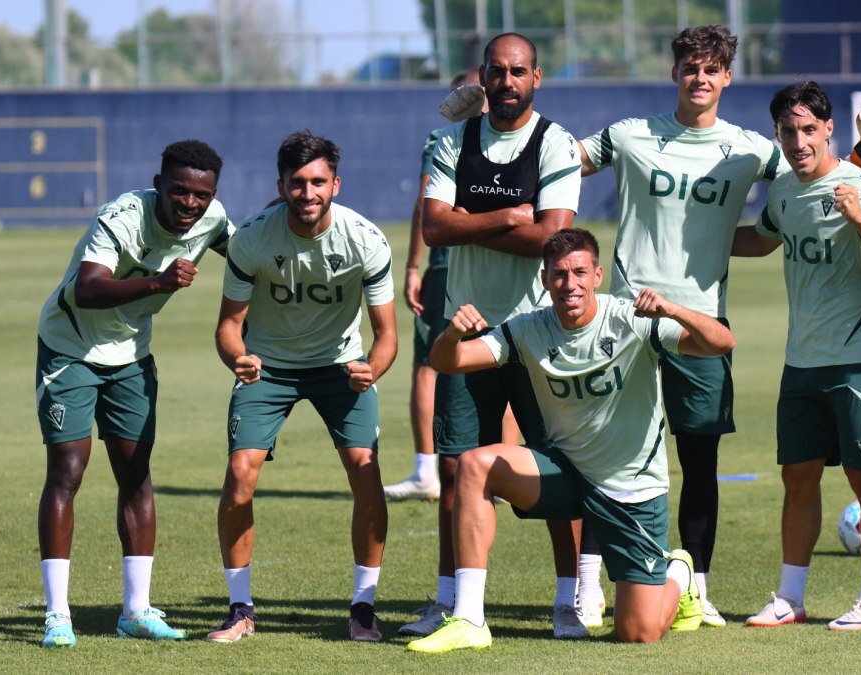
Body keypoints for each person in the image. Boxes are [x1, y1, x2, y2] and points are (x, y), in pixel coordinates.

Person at [571, 25, 861, 627]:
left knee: (699, 463)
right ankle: (589, 586)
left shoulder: (752, 148)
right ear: (675, 74)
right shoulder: (630, 135)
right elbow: (562, 161)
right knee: (610, 459)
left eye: (712, 68)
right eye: (690, 67)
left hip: (701, 324)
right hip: (624, 319)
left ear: (727, 77)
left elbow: (817, 175)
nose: (700, 77)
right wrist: (481, 130)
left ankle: (697, 590)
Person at [408, 228, 736, 653]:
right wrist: (453, 333)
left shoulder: (632, 320)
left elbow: (720, 343)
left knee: (638, 632)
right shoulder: (527, 329)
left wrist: (673, 310)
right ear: (545, 280)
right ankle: (470, 618)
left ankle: (679, 574)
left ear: (597, 275)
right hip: (565, 474)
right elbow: (446, 362)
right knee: (474, 464)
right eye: (559, 274)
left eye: (580, 272)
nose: (570, 284)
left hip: (630, 491)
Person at [400, 33, 587, 641]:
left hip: (539, 332)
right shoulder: (455, 139)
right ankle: (455, 603)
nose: (507, 81)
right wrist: (509, 216)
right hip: (468, 328)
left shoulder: (556, 142)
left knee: (559, 467)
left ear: (537, 77)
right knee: (455, 471)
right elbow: (432, 226)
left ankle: (574, 598)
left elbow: (553, 238)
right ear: (483, 77)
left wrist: (468, 224)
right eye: (497, 72)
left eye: (518, 71)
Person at [34, 140, 234, 647]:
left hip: (131, 359)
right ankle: (58, 615)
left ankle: (136, 611)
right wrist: (156, 284)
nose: (190, 204)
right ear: (159, 184)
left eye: (202, 195)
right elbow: (87, 288)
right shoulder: (121, 217)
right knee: (67, 472)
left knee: (137, 475)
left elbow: (250, 252)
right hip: (70, 349)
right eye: (180, 191)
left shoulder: (213, 221)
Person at [208, 130, 397, 643]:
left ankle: (363, 607)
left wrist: (372, 369)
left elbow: (387, 336)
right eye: (297, 183)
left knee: (366, 471)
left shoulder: (366, 240)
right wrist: (237, 357)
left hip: (340, 365)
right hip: (268, 366)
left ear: (336, 183)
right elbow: (229, 325)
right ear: (281, 185)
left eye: (318, 182)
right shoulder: (252, 238)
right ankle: (240, 608)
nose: (307, 193)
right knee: (239, 474)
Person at [732, 81, 861, 631]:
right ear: (777, 133)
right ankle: (791, 597)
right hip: (800, 363)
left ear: (831, 129)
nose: (799, 140)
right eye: (789, 130)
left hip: (859, 361)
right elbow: (763, 238)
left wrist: (858, 218)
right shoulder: (782, 190)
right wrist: (698, 233)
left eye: (809, 129)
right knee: (798, 479)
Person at [384, 70, 519, 502]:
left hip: (450, 266)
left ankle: (428, 467)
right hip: (506, 267)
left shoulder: (444, 138)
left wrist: (411, 265)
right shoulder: (521, 136)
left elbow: (425, 204)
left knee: (431, 365)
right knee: (509, 363)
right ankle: (506, 467)